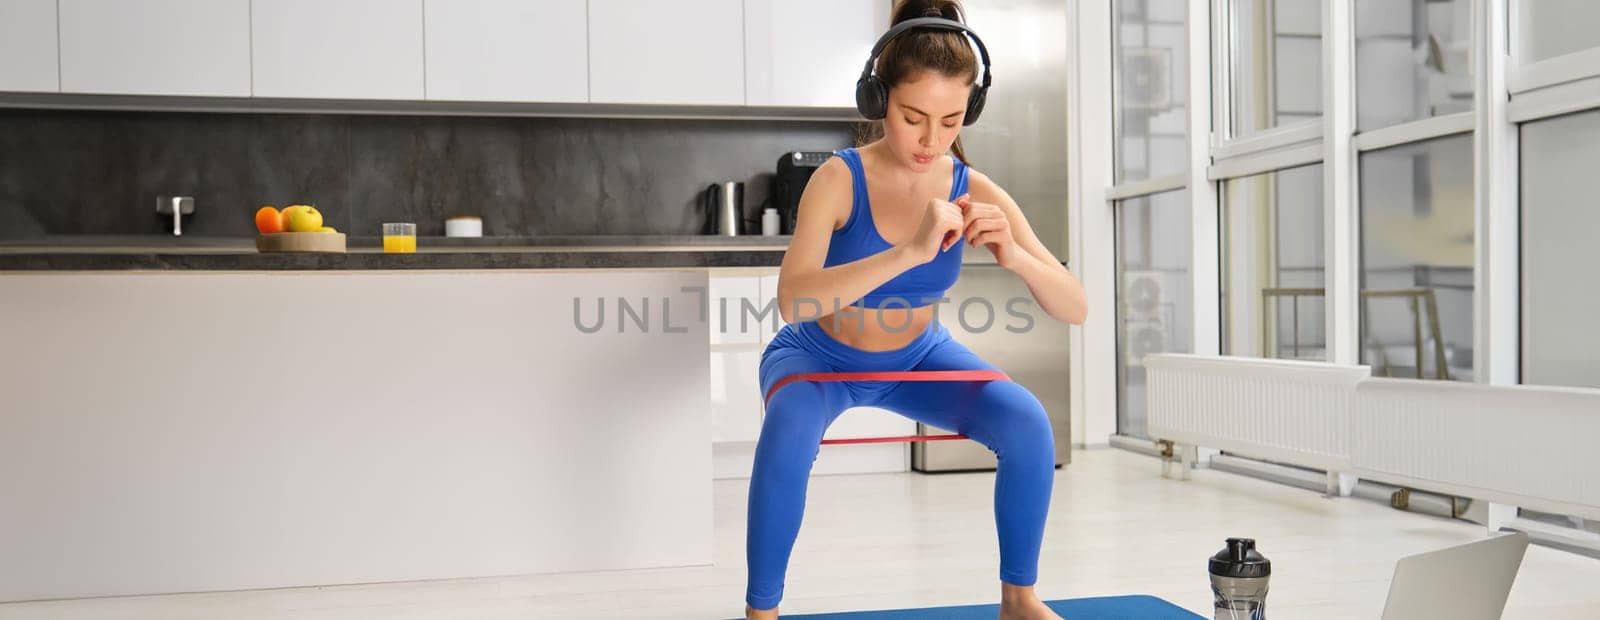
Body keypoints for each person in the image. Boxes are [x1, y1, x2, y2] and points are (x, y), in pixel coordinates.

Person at [744, 1, 1089, 618]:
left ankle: (1019, 599)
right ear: (880, 102)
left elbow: (1076, 305)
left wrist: (1014, 254)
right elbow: (795, 300)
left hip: (918, 356)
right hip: (818, 356)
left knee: (1028, 424)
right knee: (789, 430)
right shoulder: (839, 178)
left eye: (952, 121)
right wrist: (909, 251)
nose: (932, 140)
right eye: (913, 118)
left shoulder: (973, 186)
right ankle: (761, 612)